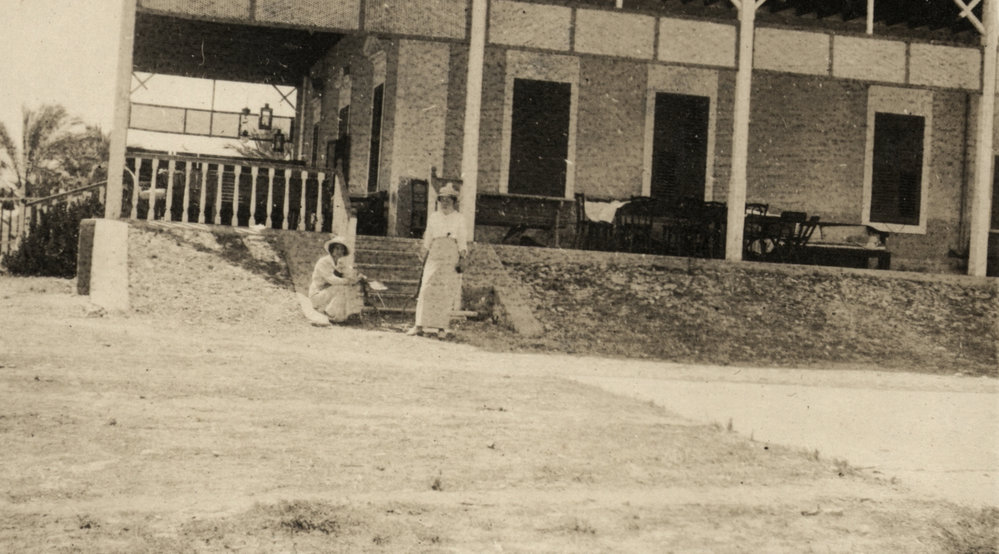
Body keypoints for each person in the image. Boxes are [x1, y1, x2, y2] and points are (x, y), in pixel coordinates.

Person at [409, 182, 467, 339]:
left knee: (445, 290)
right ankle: (419, 325)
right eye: (442, 199)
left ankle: (441, 328)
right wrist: (424, 251)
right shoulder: (434, 216)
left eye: (448, 199)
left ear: (454, 201)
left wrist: (462, 258)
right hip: (435, 251)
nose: (445, 202)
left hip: (451, 252)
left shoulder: (459, 218)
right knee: (426, 286)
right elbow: (428, 236)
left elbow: (462, 240)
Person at [309, 236, 365, 324]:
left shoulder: (340, 263)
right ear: (332, 249)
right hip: (318, 294)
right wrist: (348, 281)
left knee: (352, 287)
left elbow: (349, 273)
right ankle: (331, 314)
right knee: (341, 287)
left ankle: (349, 314)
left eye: (342, 249)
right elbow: (332, 280)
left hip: (329, 293)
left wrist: (358, 277)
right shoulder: (324, 262)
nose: (339, 251)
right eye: (337, 248)